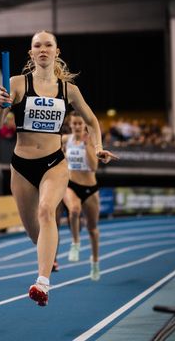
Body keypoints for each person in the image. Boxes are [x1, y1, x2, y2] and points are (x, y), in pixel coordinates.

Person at [0, 30, 117, 306]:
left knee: (47, 210)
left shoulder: (68, 90)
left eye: (48, 45)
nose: (43, 49)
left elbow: (93, 121)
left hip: (54, 163)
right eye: (37, 46)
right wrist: (1, 108)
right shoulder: (17, 83)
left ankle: (42, 283)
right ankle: (50, 256)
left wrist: (97, 147)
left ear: (56, 52)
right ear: (31, 53)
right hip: (21, 166)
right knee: (33, 232)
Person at [62, 111, 102, 281]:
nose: (77, 126)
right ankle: (75, 243)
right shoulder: (65, 140)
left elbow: (93, 167)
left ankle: (94, 263)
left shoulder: (91, 141)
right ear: (70, 125)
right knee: (75, 210)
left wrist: (86, 146)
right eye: (75, 123)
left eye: (80, 123)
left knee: (93, 230)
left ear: (85, 125)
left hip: (90, 188)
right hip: (72, 185)